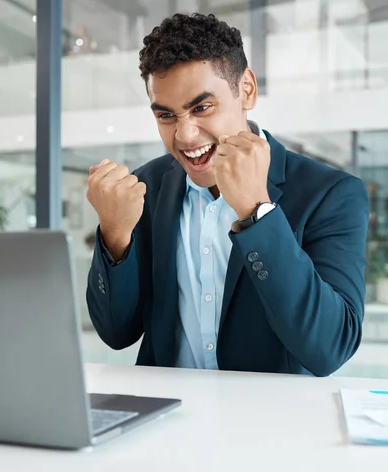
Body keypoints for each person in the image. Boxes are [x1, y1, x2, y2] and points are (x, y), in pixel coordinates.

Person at [85, 13, 369, 376]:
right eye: (166, 116)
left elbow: (330, 348)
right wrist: (115, 234)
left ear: (246, 89)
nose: (185, 136)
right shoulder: (147, 187)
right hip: (165, 420)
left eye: (202, 108)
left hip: (267, 423)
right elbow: (116, 333)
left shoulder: (330, 194)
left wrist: (257, 211)